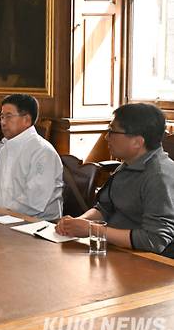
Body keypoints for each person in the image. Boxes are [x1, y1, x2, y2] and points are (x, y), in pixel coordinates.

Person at [56, 103, 174, 257]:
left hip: (148, 262)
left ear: (137, 142)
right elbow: (105, 208)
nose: (106, 137)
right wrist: (76, 223)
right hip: (115, 250)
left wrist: (92, 229)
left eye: (112, 131)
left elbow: (155, 240)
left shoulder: (159, 176)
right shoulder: (128, 164)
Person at [0, 94, 63, 220]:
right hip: (6, 218)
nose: (3, 122)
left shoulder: (42, 151)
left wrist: (2, 214)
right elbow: (0, 191)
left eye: (9, 116)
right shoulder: (5, 148)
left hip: (38, 225)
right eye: (2, 117)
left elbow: (34, 201)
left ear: (27, 120)